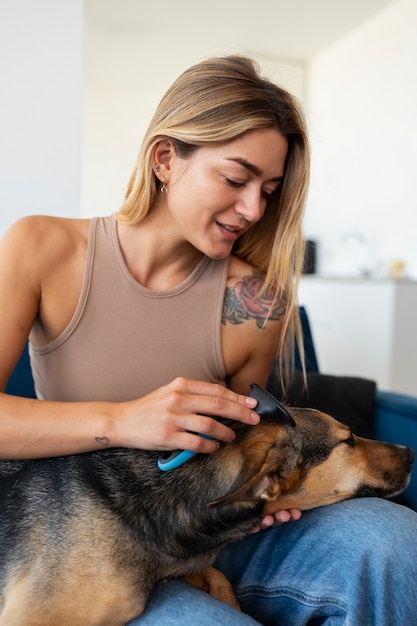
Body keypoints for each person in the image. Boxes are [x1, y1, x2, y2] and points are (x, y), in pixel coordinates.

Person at [0, 55, 416, 625]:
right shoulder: (43, 247)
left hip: (211, 525)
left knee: (394, 543)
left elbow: (259, 447)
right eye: (236, 178)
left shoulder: (258, 304)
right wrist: (125, 420)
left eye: (269, 189)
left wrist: (268, 492)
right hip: (94, 531)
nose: (253, 209)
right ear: (165, 158)